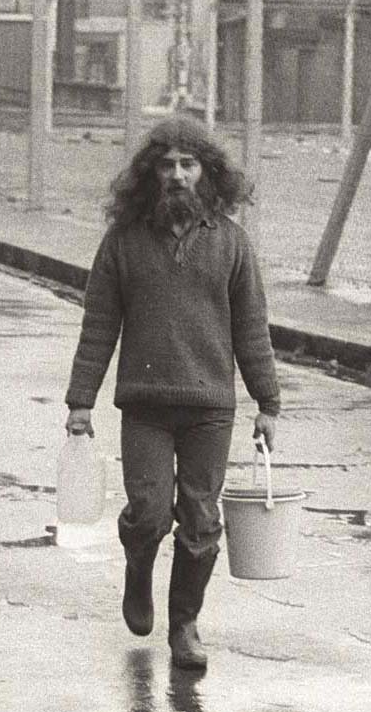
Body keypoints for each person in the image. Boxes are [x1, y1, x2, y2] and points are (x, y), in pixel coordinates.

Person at [64, 116, 280, 670]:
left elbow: (251, 327)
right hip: (146, 406)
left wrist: (267, 403)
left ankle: (184, 624)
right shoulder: (123, 242)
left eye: (189, 164)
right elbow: (99, 323)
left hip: (211, 408)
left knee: (203, 522)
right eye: (166, 165)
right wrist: (80, 401)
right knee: (148, 514)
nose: (178, 176)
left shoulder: (231, 242)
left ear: (208, 172)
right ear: (149, 175)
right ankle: (138, 571)